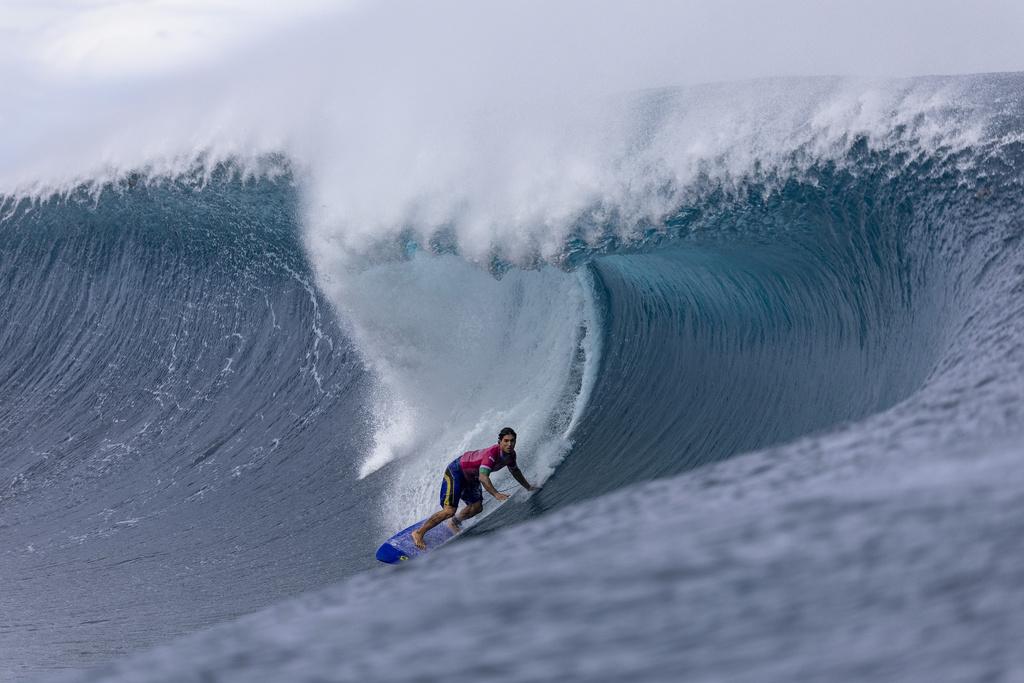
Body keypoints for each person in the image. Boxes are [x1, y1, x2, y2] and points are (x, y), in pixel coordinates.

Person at [410, 427, 537, 550]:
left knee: (477, 507)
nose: (509, 444)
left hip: (471, 477)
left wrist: (528, 487)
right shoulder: (492, 454)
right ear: (499, 442)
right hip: (457, 471)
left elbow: (515, 472)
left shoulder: (511, 456)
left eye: (512, 441)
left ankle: (453, 522)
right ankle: (418, 533)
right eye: (506, 441)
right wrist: (496, 494)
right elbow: (483, 477)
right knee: (449, 511)